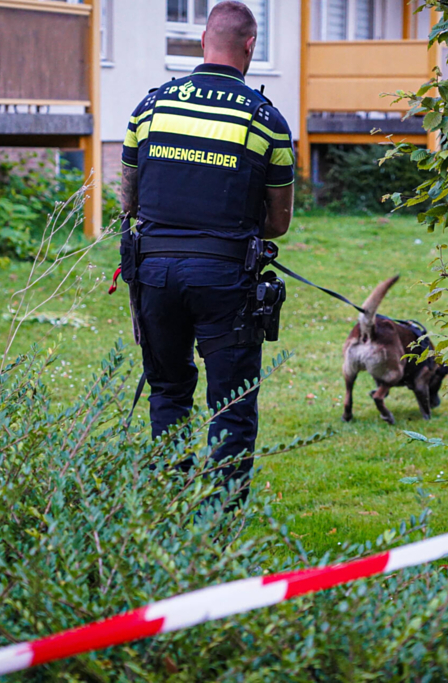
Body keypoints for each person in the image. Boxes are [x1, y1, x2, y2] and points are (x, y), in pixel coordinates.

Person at [119, 0, 294, 504]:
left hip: (154, 274)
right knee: (231, 405)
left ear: (202, 42)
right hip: (225, 278)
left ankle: (170, 511)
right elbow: (278, 221)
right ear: (250, 46)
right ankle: (218, 524)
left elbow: (129, 200)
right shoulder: (265, 119)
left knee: (168, 392)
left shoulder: (150, 107)